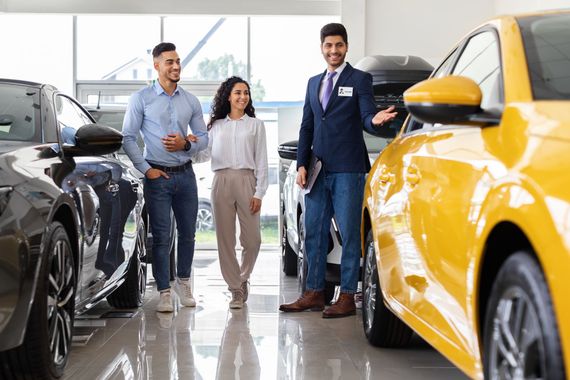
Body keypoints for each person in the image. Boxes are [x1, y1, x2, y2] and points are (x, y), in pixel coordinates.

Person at [279, 23, 397, 318]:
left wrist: (376, 121)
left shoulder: (360, 79)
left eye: (339, 45)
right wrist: (302, 164)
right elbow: (307, 125)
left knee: (348, 235)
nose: (334, 51)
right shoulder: (312, 83)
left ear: (346, 47)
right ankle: (314, 293)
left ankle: (346, 295)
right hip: (318, 170)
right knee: (314, 233)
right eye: (329, 46)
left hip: (349, 170)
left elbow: (367, 116)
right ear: (322, 48)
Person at [122, 42, 208, 313]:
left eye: (178, 61)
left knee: (189, 234)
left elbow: (203, 138)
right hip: (157, 176)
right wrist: (146, 169)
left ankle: (184, 283)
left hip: (186, 175)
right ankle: (164, 291)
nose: (176, 66)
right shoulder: (141, 99)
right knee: (160, 236)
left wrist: (185, 144)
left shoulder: (190, 100)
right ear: (157, 65)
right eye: (170, 62)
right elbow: (128, 137)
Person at [196, 76, 268, 309]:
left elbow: (262, 162)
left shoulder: (256, 125)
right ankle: (235, 289)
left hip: (247, 181)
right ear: (228, 96)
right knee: (225, 240)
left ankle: (243, 277)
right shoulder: (215, 126)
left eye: (246, 92)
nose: (242, 97)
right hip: (221, 181)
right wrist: (187, 146)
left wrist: (259, 193)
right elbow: (204, 155)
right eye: (238, 92)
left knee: (253, 240)